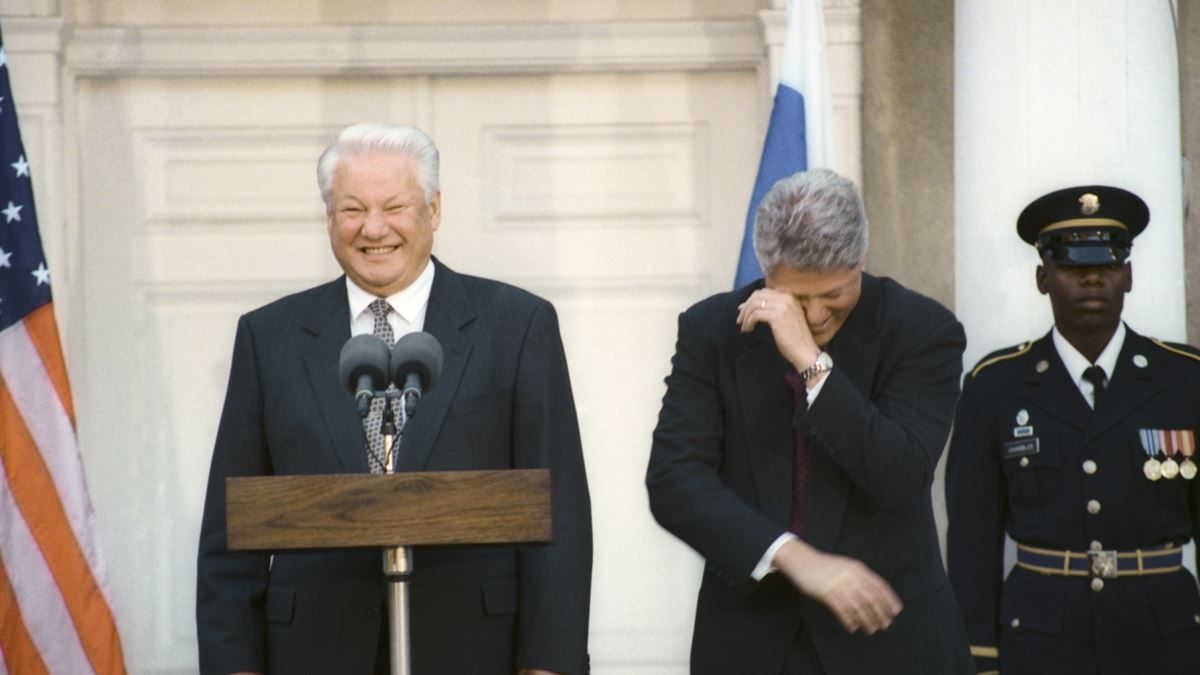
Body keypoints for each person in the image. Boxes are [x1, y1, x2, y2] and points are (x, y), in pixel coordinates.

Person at [196, 123, 592, 675]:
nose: (373, 229)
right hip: (312, 652)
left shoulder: (516, 325)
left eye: (394, 207)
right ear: (329, 217)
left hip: (473, 650)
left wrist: (547, 664)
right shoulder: (269, 338)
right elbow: (228, 528)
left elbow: (559, 512)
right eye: (352, 209)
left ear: (433, 209)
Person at [646, 168, 973, 673]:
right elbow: (674, 481)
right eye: (797, 299)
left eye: (835, 294)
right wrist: (792, 556)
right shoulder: (711, 330)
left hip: (890, 641)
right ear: (765, 271)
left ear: (861, 260)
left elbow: (900, 475)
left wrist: (811, 363)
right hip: (749, 641)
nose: (817, 316)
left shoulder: (923, 330)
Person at [945, 185, 1200, 674]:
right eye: (1071, 266)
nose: (1091, 280)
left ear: (1128, 276)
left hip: (1165, 643)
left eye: (1105, 266)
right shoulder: (995, 387)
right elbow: (972, 545)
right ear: (1043, 277)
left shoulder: (1185, 381)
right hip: (1042, 646)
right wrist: (978, 660)